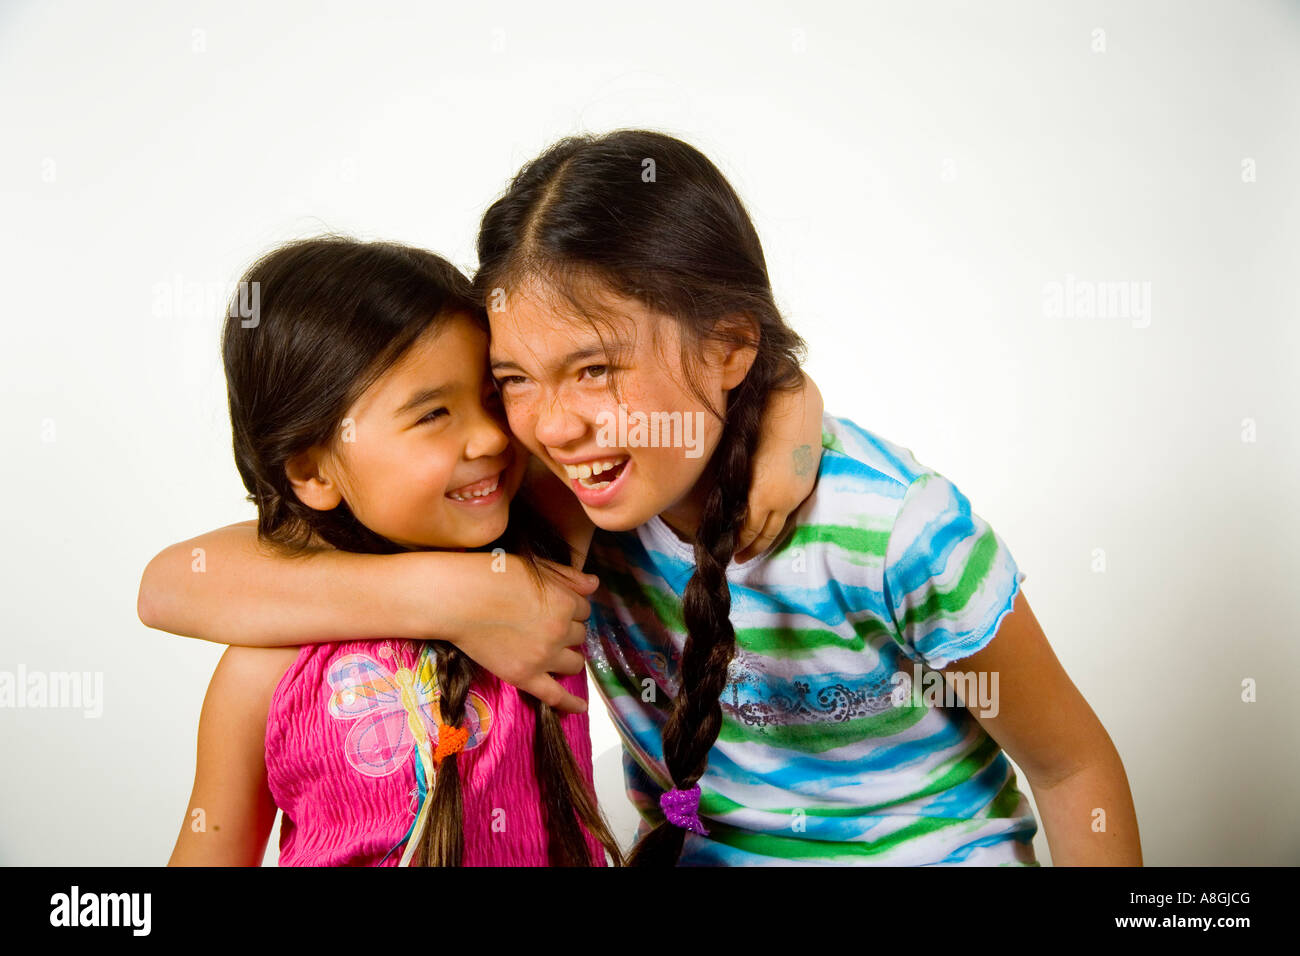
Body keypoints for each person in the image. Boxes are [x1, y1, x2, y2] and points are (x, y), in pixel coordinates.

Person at [148, 130, 1141, 866]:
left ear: (728, 346)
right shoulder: (571, 518)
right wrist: (452, 600)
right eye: (517, 378)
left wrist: (787, 408)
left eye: (591, 369)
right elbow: (175, 586)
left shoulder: (888, 531)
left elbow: (1070, 766)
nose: (537, 428)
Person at [156, 234, 827, 866]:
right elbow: (210, 840)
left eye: (491, 396)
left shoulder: (543, 547)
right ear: (311, 469)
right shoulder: (268, 661)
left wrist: (794, 407)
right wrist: (450, 599)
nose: (491, 439)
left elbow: (726, 383)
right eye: (433, 414)